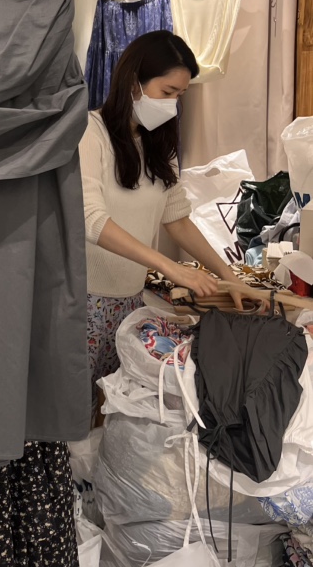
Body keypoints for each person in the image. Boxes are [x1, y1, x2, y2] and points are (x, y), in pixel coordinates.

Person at [81, 30, 243, 413]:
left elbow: (178, 219)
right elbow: (91, 219)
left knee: (116, 410)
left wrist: (229, 276)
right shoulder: (90, 132)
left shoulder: (158, 145)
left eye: (179, 95)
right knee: (72, 415)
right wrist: (172, 269)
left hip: (129, 302)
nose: (172, 104)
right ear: (133, 82)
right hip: (82, 302)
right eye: (167, 91)